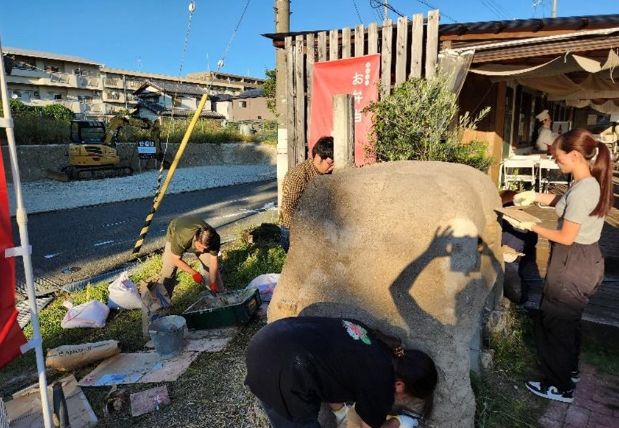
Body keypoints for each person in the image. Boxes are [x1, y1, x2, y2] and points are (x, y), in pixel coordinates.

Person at [504, 129, 614, 403]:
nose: (555, 162)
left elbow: (566, 236)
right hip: (582, 259)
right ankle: (570, 371)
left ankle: (559, 385)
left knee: (555, 323)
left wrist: (531, 225)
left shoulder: (584, 188)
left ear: (575, 155)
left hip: (573, 262)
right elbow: (564, 203)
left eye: (558, 157)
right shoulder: (585, 183)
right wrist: (535, 196)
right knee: (568, 321)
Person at [245, 316, 438, 428]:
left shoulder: (374, 342)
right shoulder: (382, 384)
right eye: (406, 398)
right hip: (282, 372)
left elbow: (329, 370)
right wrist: (399, 423)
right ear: (400, 385)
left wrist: (340, 413)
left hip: (267, 341)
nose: (401, 402)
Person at [280, 136, 334, 252]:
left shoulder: (327, 174)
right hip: (294, 231)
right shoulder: (298, 176)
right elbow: (289, 208)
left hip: (317, 229)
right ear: (319, 158)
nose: (333, 167)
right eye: (330, 163)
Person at [159, 215, 224, 300]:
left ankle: (220, 298)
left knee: (210, 268)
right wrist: (194, 273)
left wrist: (213, 282)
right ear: (196, 238)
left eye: (205, 249)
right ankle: (162, 305)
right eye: (200, 247)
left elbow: (213, 261)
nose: (201, 251)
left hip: (194, 231)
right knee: (168, 272)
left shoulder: (213, 239)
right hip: (176, 230)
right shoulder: (182, 237)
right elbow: (175, 259)